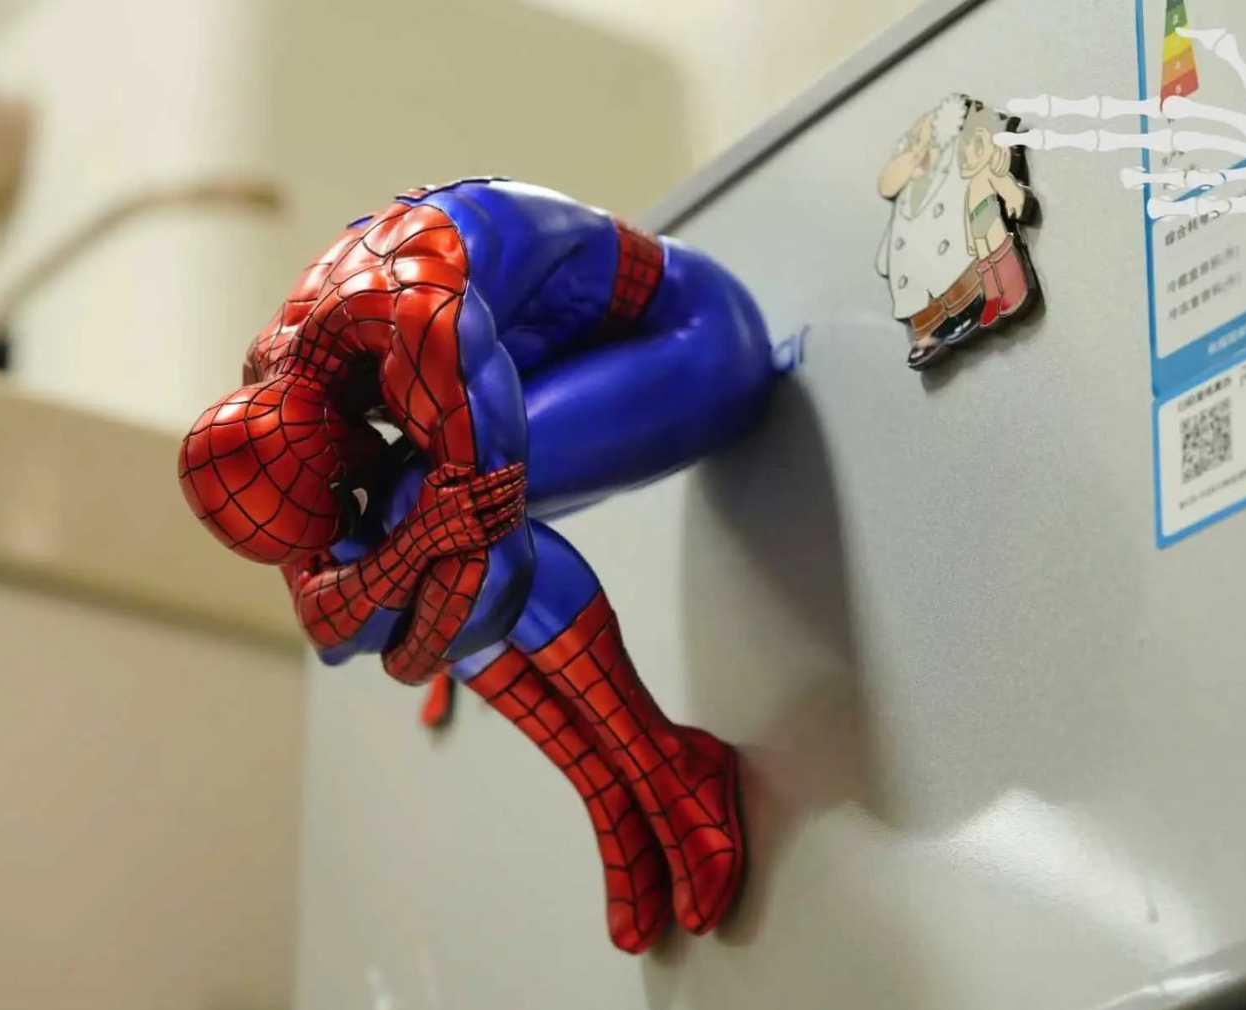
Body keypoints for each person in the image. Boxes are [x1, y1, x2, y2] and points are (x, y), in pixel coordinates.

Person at [178, 178, 784, 953]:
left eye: (343, 497)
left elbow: (495, 575)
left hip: (701, 343)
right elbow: (326, 628)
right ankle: (606, 789)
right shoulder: (278, 400)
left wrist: (404, 620)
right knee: (410, 525)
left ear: (333, 447)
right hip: (562, 392)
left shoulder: (409, 309)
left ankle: (663, 764)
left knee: (419, 510)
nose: (349, 516)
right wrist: (409, 562)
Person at [876, 94, 984, 369]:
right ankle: (928, 334)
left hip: (948, 243)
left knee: (954, 278)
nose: (918, 151)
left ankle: (968, 306)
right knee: (920, 301)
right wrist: (884, 260)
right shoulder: (906, 193)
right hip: (914, 262)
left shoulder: (951, 164)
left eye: (923, 143)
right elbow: (895, 227)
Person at [958, 103, 1036, 327]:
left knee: (1001, 252)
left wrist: (1015, 199)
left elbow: (1007, 187)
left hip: (992, 217)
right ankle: (993, 298)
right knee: (985, 263)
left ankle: (1014, 289)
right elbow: (968, 217)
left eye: (977, 145)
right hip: (977, 226)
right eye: (965, 150)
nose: (971, 155)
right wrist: (970, 240)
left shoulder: (990, 173)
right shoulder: (971, 186)